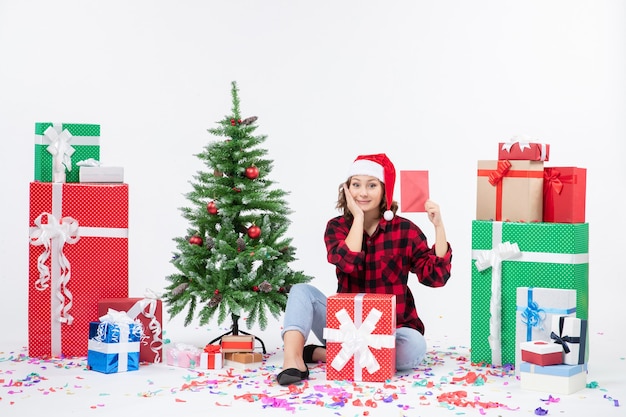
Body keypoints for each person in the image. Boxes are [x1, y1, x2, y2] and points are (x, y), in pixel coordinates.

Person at [276, 153, 452, 386]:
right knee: (300, 291)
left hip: (392, 330)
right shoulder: (336, 227)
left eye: (371, 185)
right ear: (347, 190)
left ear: (384, 191)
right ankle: (293, 360)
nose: (363, 193)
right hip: (346, 327)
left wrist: (439, 226)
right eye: (356, 185)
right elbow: (347, 261)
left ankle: (329, 354)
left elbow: (436, 277)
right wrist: (358, 217)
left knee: (414, 347)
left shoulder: (406, 230)